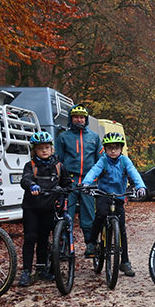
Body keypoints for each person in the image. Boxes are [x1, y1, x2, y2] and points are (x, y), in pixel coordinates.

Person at [82, 131, 147, 277]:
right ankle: (92, 243)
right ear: (105, 149)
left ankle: (125, 261)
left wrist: (140, 186)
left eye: (116, 148)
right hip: (103, 195)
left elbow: (134, 173)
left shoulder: (125, 161)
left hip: (118, 197)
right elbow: (94, 171)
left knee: (122, 230)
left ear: (120, 149)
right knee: (100, 215)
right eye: (110, 148)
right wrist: (86, 183)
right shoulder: (103, 160)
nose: (113, 151)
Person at [18, 131, 73, 287]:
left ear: (52, 149)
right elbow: (25, 179)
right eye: (40, 148)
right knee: (30, 238)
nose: (44, 151)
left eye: (47, 147)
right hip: (32, 208)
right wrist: (32, 185)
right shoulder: (31, 166)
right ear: (34, 150)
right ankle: (26, 271)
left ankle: (42, 269)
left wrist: (65, 191)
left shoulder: (58, 166)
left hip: (49, 208)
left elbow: (67, 183)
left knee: (43, 239)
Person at [55, 104, 102, 254]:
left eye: (82, 117)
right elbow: (58, 161)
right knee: (66, 213)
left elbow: (100, 160)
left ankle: (90, 243)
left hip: (88, 181)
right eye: (76, 117)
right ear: (71, 119)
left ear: (86, 119)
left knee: (88, 214)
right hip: (70, 180)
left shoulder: (94, 137)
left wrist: (98, 180)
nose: (79, 120)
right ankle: (63, 245)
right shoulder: (63, 137)